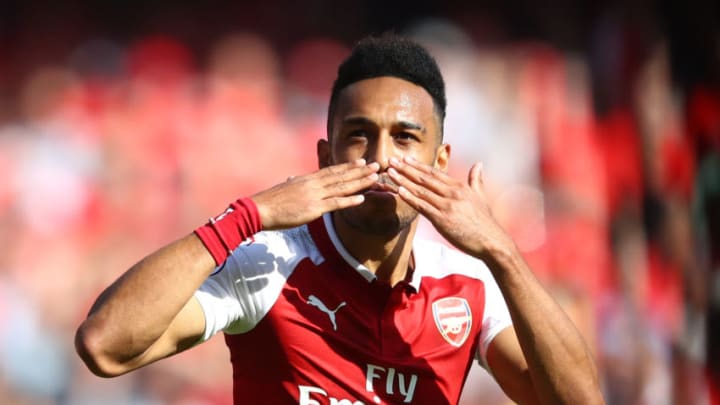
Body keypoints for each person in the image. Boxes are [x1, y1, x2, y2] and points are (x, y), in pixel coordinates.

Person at [75, 34, 604, 404]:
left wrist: (502, 252)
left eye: (405, 138)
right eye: (359, 135)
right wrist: (249, 216)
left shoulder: (468, 283)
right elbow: (105, 345)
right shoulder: (269, 263)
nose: (380, 159)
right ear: (326, 157)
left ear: (441, 162)